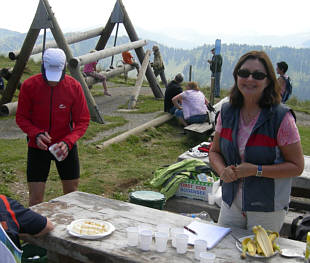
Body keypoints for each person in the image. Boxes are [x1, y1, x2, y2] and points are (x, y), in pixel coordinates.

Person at [209, 50, 304, 232]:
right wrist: (222, 171)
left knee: (258, 258)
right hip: (231, 202)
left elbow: (297, 166)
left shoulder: (281, 118)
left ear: (268, 80)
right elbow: (214, 152)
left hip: (267, 206)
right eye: (244, 73)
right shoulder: (227, 112)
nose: (250, 79)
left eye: (258, 75)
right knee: (223, 255)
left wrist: (256, 170)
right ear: (236, 76)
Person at [16, 48, 90, 206]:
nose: (53, 81)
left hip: (65, 147)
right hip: (37, 147)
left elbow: (83, 120)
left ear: (64, 68)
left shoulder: (74, 87)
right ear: (42, 66)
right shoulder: (29, 86)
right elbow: (21, 117)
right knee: (36, 200)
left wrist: (68, 142)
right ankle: (37, 229)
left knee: (72, 197)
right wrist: (35, 134)